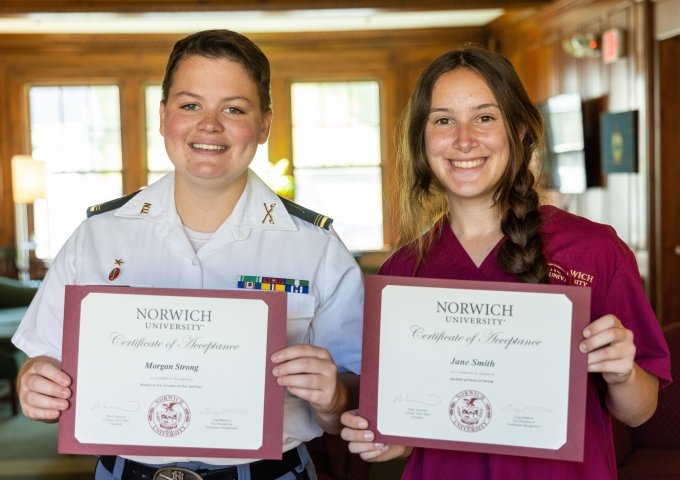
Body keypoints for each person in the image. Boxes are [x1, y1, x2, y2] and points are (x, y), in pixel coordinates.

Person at [12, 29, 363, 480]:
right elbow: (43, 362)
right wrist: (34, 383)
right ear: (163, 116)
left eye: (233, 109)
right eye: (190, 105)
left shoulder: (317, 248)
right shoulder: (96, 236)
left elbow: (353, 406)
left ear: (264, 124)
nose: (209, 125)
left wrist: (335, 399)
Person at [340, 46, 671, 480]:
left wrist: (622, 371)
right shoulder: (403, 273)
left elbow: (641, 412)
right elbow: (414, 427)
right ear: (423, 139)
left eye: (484, 117)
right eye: (443, 120)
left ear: (518, 129)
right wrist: (389, 439)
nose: (463, 139)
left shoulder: (594, 251)